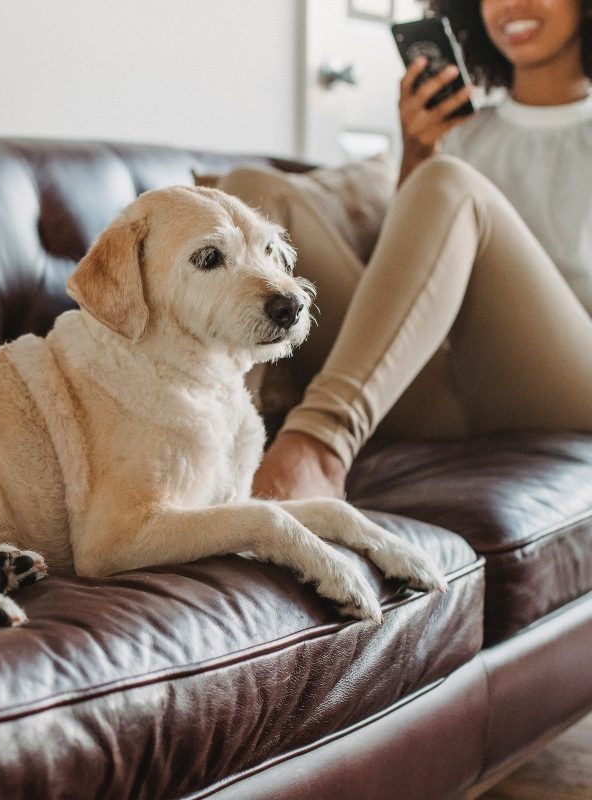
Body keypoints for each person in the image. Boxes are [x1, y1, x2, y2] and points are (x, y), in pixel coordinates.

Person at [248, 0, 592, 500]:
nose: (513, 4)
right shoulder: (458, 134)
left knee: (450, 183)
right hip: (443, 390)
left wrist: (436, 173)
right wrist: (416, 153)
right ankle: (223, 430)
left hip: (566, 386)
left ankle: (319, 446)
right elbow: (403, 280)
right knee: (255, 193)